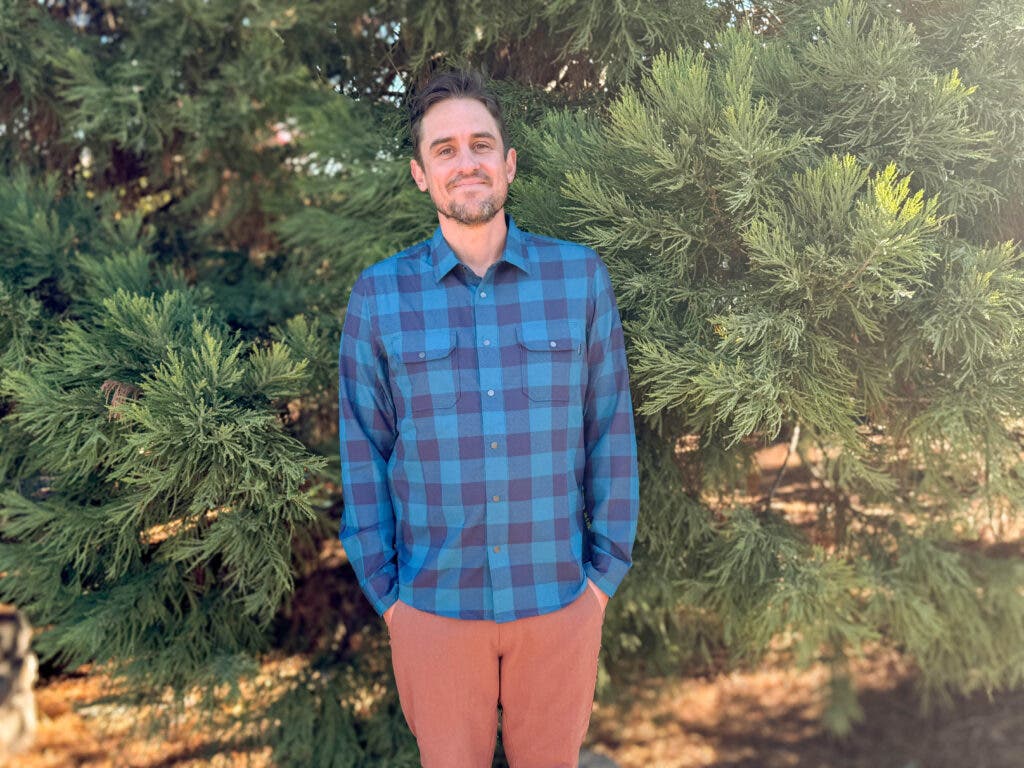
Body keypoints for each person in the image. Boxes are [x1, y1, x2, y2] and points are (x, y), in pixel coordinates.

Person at [337, 69, 639, 768]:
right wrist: (390, 600)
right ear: (420, 174)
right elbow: (362, 449)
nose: (464, 161)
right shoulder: (379, 296)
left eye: (480, 144)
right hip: (434, 611)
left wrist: (599, 584)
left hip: (560, 602)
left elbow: (610, 433)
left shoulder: (579, 279)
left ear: (507, 164)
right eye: (444, 149)